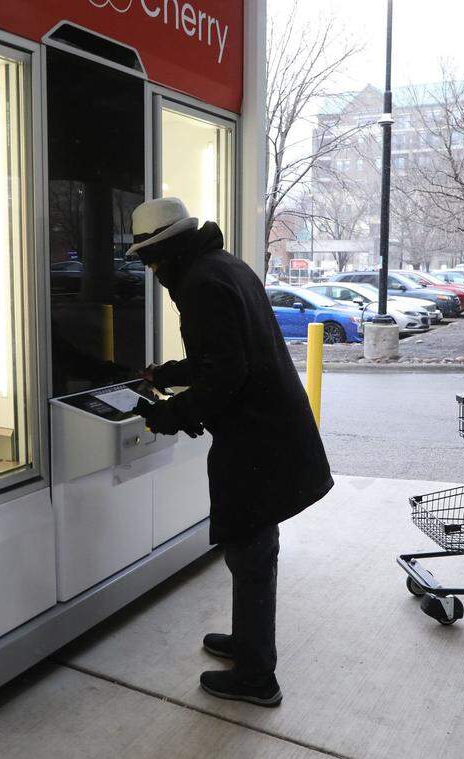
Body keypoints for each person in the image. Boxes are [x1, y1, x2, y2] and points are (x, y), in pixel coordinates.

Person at [127, 197, 333, 707]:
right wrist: (169, 375)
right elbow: (221, 357)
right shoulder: (222, 267)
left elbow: (226, 374)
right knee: (252, 547)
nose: (153, 272)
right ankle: (248, 643)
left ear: (168, 251)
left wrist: (171, 415)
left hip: (258, 439)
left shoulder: (200, 284)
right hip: (267, 431)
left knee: (250, 550)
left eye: (152, 261)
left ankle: (257, 675)